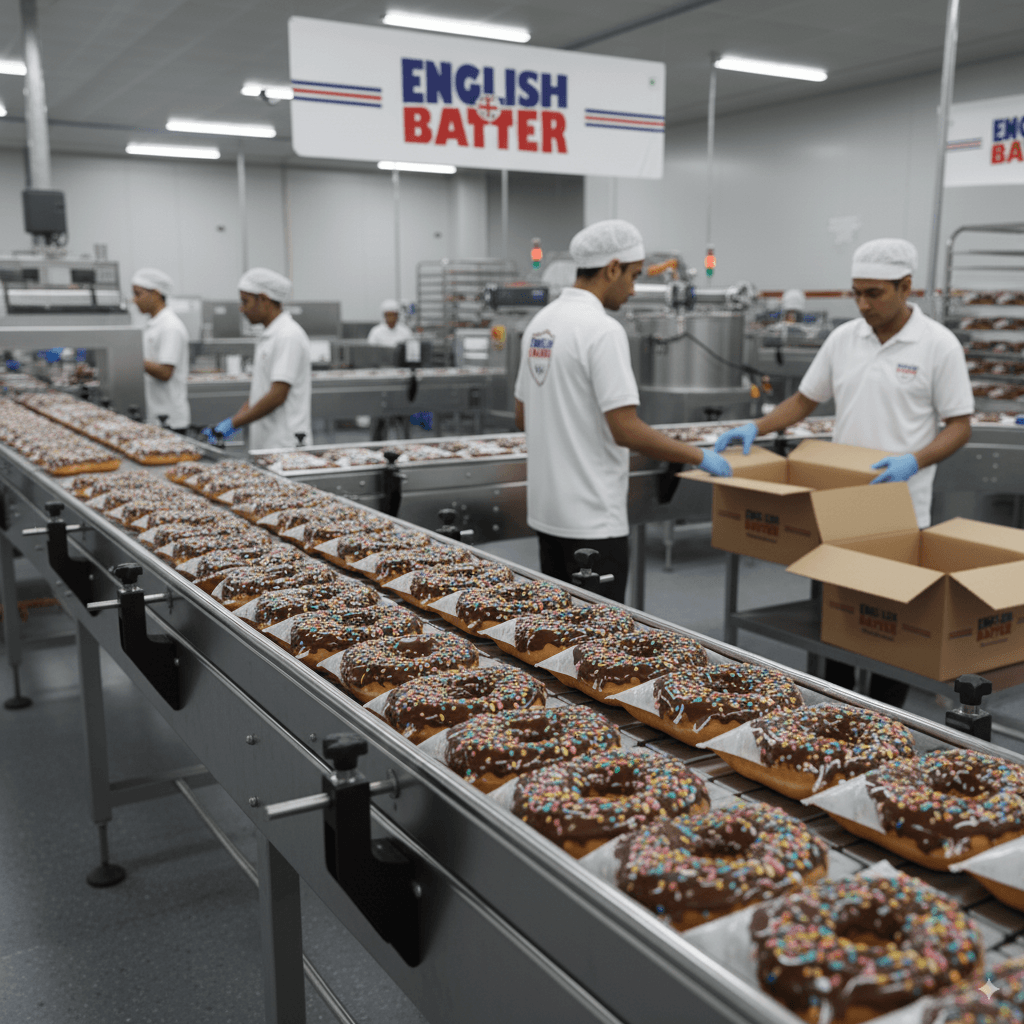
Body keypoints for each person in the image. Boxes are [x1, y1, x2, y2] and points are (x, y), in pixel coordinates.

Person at [715, 237, 975, 704]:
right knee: (837, 626)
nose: (863, 303)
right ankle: (835, 715)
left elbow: (959, 426)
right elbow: (802, 400)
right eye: (856, 292)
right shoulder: (844, 338)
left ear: (906, 286)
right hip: (840, 508)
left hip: (901, 511)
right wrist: (754, 426)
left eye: (874, 293)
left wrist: (914, 460)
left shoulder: (938, 345)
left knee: (890, 633)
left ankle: (885, 723)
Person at [513, 219, 733, 603]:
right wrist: (698, 455)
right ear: (611, 268)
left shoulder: (540, 323)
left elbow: (523, 416)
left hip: (548, 513)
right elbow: (625, 429)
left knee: (559, 630)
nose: (633, 289)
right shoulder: (603, 330)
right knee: (598, 641)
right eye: (632, 275)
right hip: (593, 520)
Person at [202, 268, 312, 451]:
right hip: (268, 440)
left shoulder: (288, 335)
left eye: (245, 301)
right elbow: (260, 394)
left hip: (285, 443)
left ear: (263, 299)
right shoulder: (270, 335)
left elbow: (277, 395)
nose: (241, 308)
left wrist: (232, 424)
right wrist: (225, 427)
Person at [131, 268, 191, 431]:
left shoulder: (170, 326)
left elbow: (165, 372)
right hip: (156, 415)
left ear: (156, 294)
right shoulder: (153, 324)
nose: (134, 300)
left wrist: (130, 359)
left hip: (170, 419)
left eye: (138, 294)